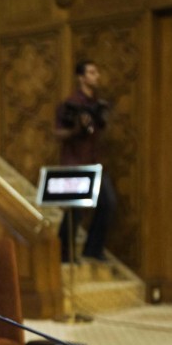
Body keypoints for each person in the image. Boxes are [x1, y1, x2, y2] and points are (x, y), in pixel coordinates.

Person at [54, 59, 116, 262]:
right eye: (91, 72)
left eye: (96, 72)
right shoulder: (70, 104)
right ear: (81, 77)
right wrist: (76, 130)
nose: (96, 76)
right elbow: (58, 133)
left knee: (108, 203)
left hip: (96, 161)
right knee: (75, 210)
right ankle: (63, 253)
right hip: (76, 161)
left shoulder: (97, 104)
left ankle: (92, 250)